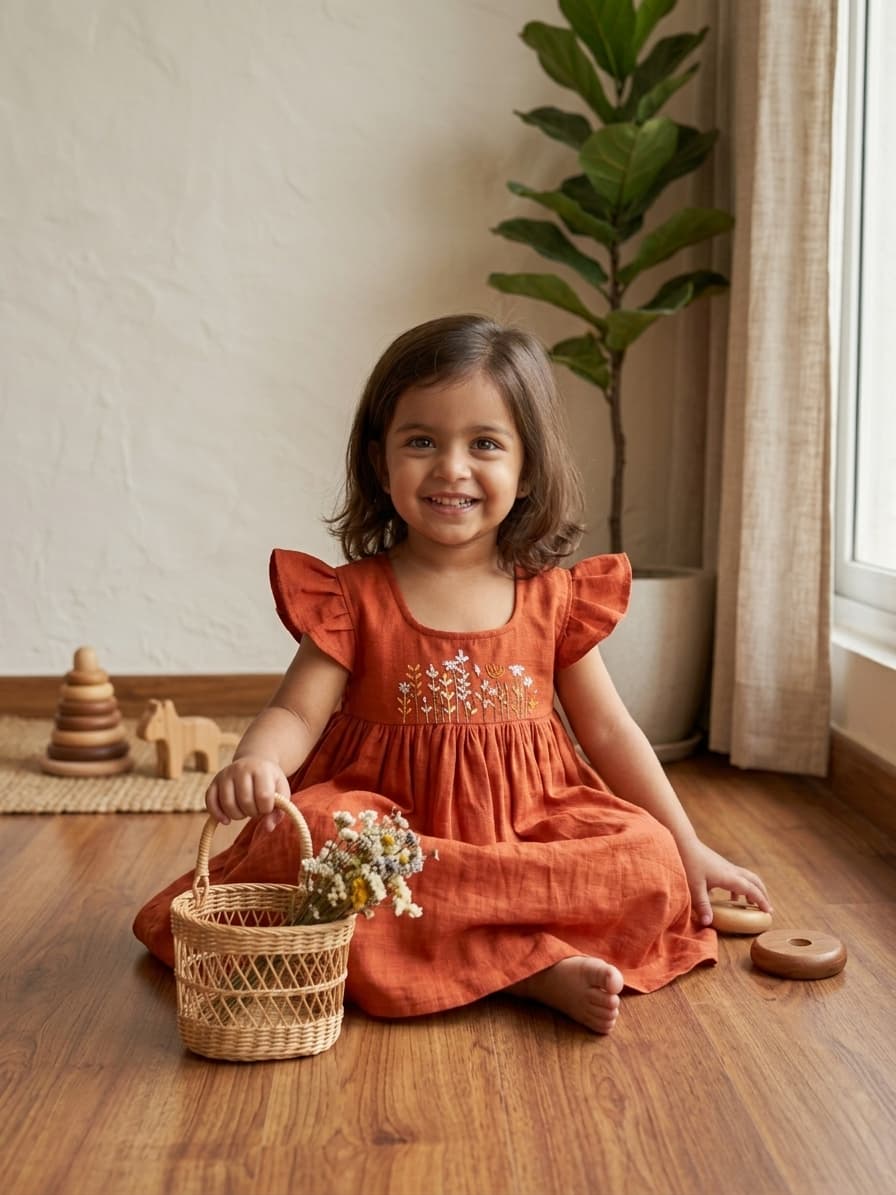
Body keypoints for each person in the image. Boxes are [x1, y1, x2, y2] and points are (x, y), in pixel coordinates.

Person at [133, 313, 770, 1035]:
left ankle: (497, 953)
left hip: (528, 823)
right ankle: (532, 963)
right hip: (393, 834)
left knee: (646, 858)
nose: (451, 468)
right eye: (422, 441)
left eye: (486, 444)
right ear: (381, 461)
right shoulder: (353, 597)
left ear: (528, 467)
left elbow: (612, 732)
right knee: (309, 839)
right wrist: (257, 760)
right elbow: (298, 715)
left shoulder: (552, 597)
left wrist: (689, 846)